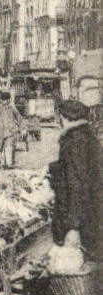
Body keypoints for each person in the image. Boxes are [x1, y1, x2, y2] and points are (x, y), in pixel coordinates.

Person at [48, 96, 103, 261]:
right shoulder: (88, 137)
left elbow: (78, 184)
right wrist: (55, 168)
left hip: (82, 219)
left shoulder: (73, 142)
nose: (59, 121)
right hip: (92, 213)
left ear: (66, 118)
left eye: (60, 117)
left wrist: (73, 227)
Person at [0, 88, 22, 169]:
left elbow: (19, 117)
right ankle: (1, 164)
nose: (4, 102)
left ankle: (9, 164)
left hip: (10, 131)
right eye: (2, 100)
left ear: (8, 100)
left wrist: (20, 127)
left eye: (5, 100)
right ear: (0, 100)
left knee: (9, 147)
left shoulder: (12, 108)